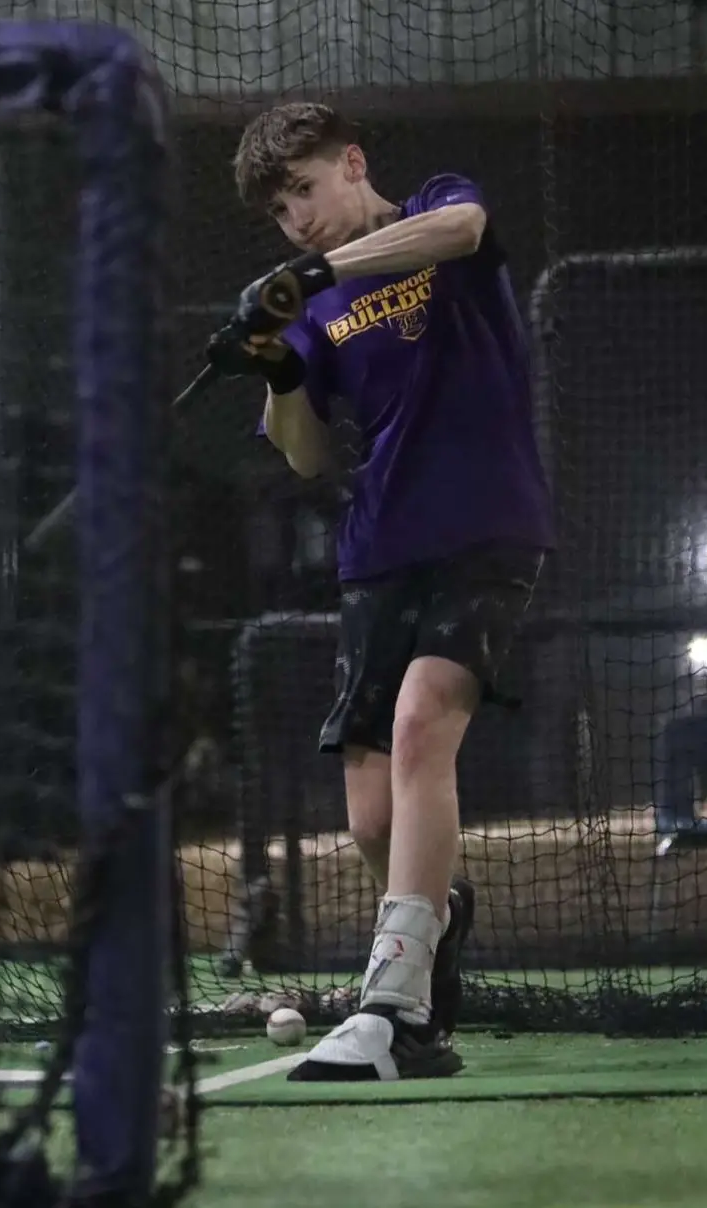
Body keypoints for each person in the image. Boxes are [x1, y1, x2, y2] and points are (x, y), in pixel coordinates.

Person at [207, 102, 555, 1081]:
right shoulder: (312, 308)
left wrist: (315, 274)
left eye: (304, 189)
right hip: (378, 549)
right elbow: (306, 455)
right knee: (367, 819)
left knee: (419, 726)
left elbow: (464, 230)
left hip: (486, 526)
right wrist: (278, 365)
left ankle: (396, 1012)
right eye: (279, 210)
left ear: (352, 162)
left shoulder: (435, 210)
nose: (297, 219)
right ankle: (438, 911)